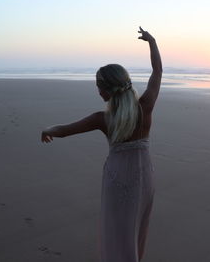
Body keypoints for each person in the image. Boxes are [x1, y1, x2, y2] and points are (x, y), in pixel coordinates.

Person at [41, 26, 162, 262]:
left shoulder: (103, 119)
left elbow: (65, 131)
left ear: (106, 91)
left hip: (118, 180)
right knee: (138, 229)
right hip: (144, 176)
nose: (97, 91)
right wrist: (152, 41)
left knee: (117, 232)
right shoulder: (145, 107)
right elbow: (157, 71)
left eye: (99, 86)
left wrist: (47, 130)